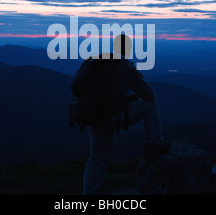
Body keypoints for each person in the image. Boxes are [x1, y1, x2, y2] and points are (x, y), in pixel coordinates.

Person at [71, 34, 170, 195]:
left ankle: (89, 193)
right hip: (110, 117)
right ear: (128, 49)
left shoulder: (93, 63)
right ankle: (154, 144)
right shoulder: (124, 67)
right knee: (152, 104)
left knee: (97, 157)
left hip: (91, 117)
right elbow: (148, 95)